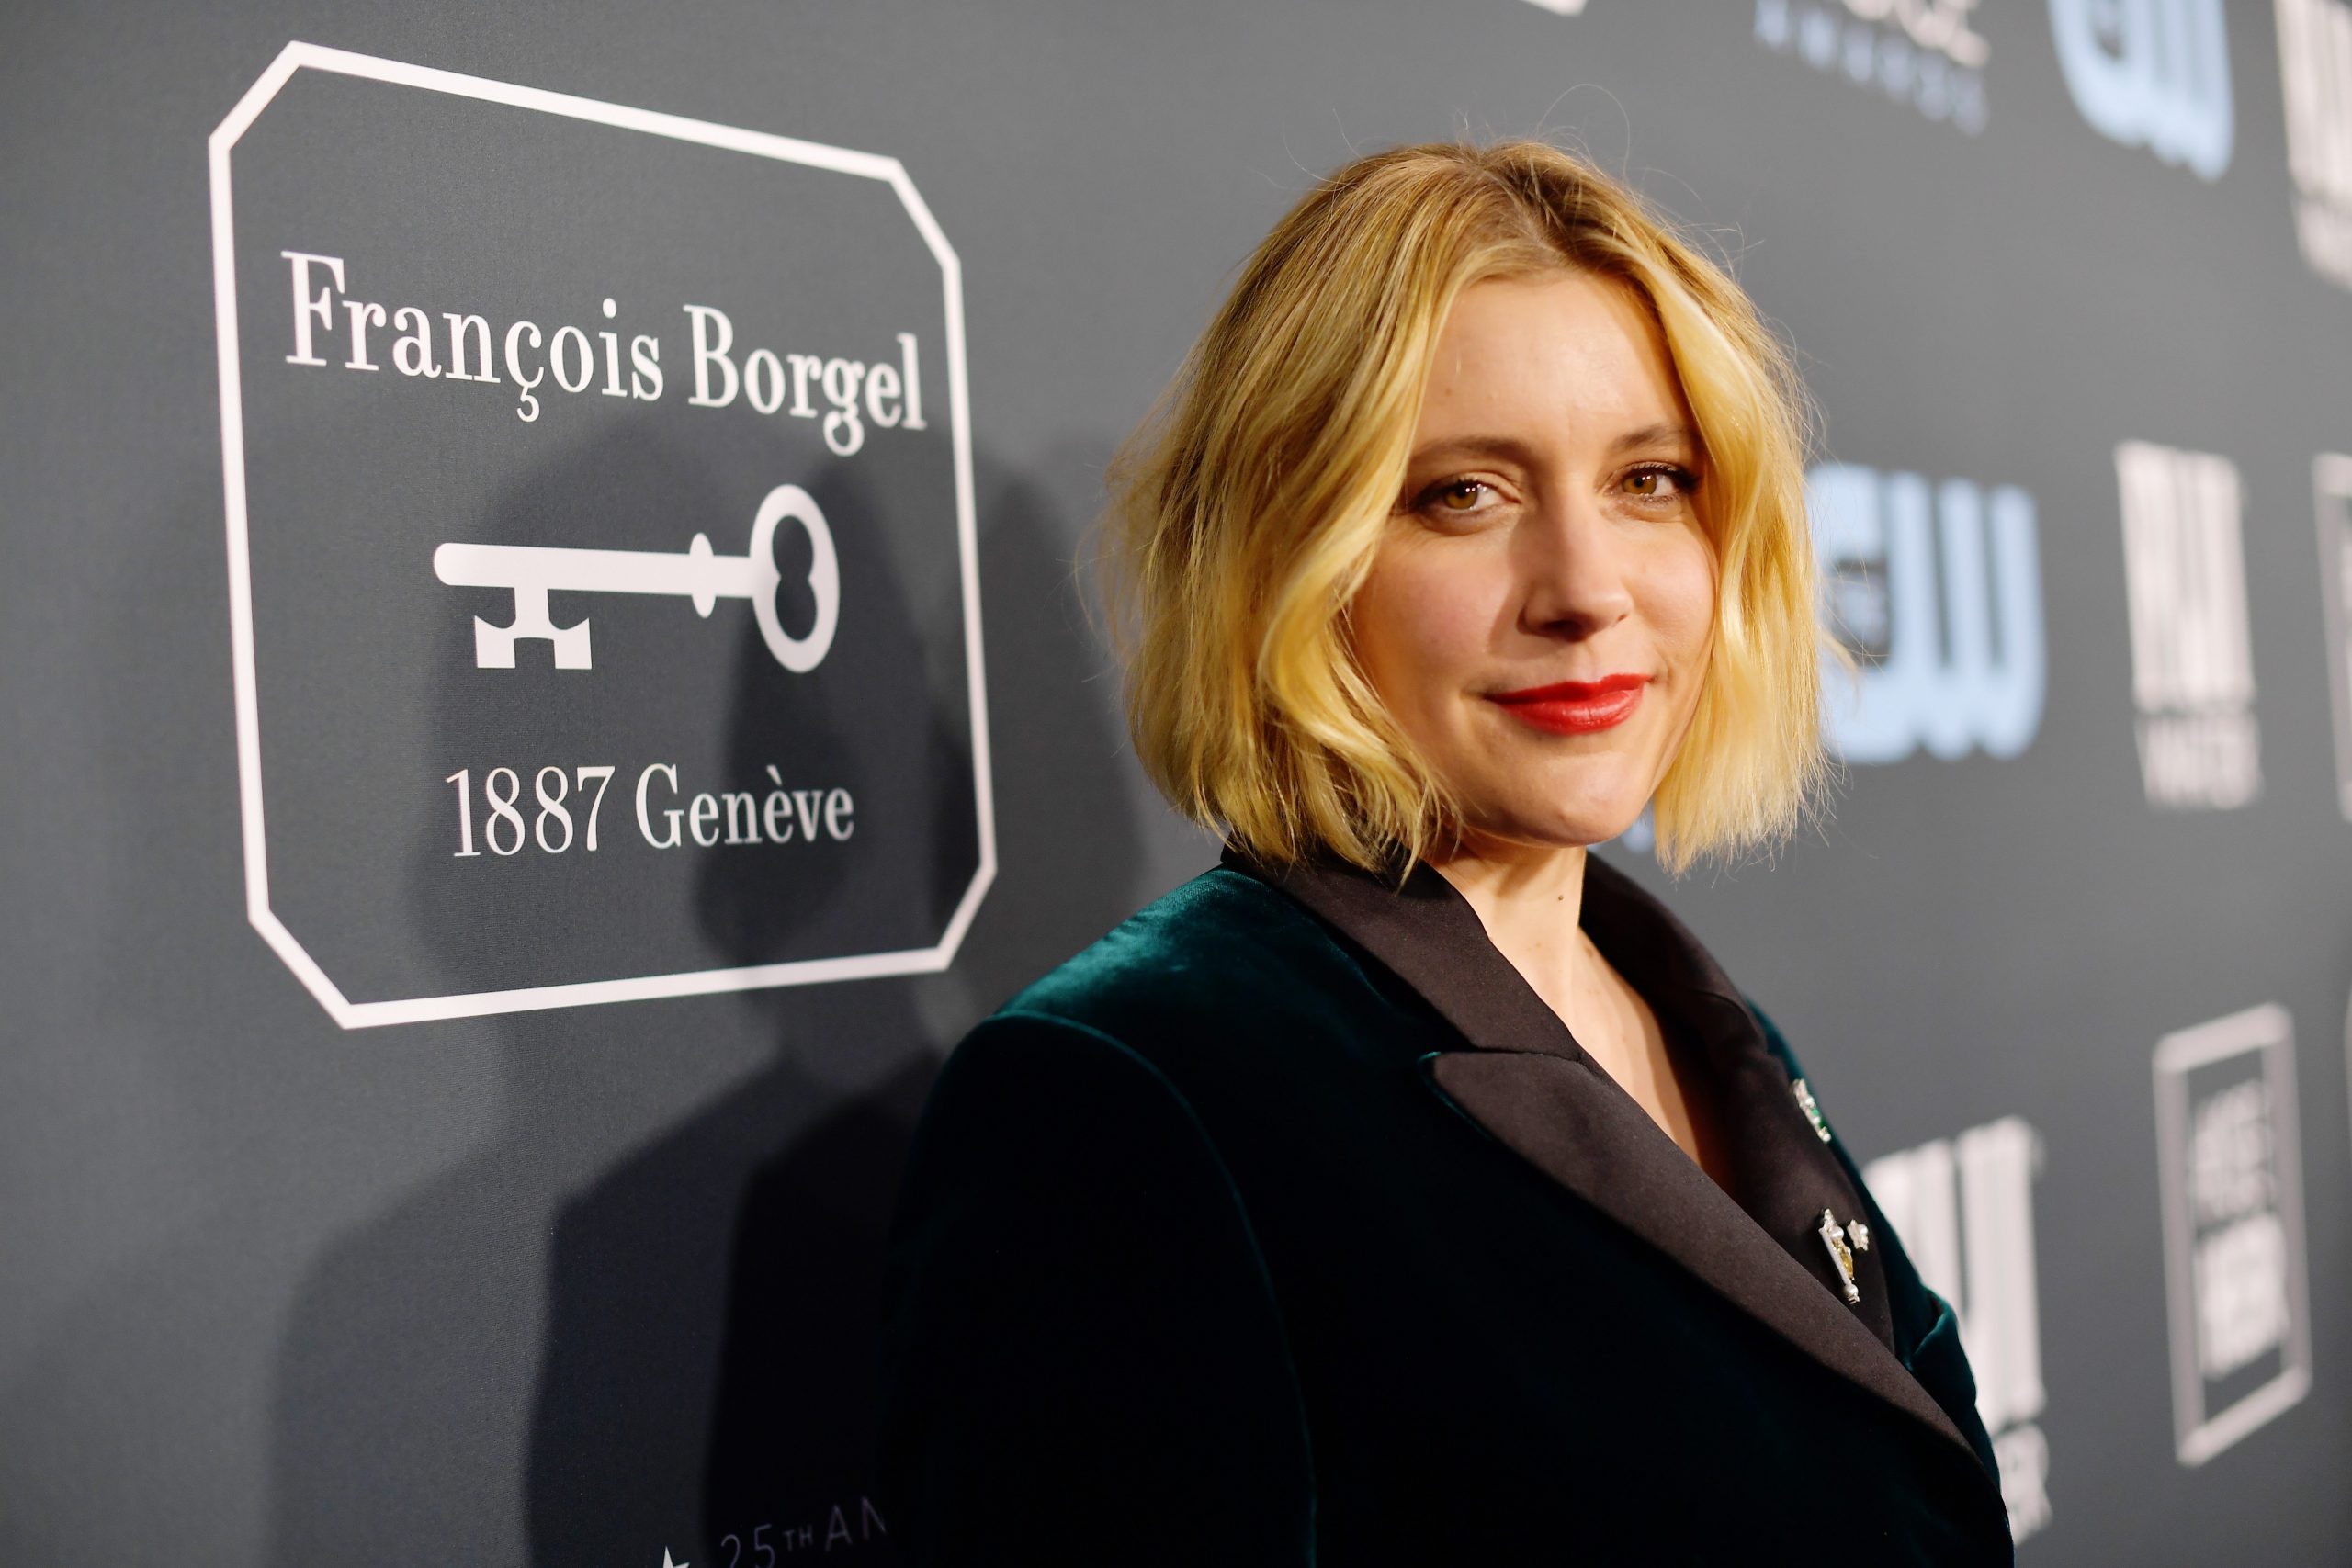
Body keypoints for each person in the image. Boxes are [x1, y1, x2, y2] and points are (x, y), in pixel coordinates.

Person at [875, 140, 2012, 1565]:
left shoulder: (1694, 1015)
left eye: (1652, 480)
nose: (1588, 589)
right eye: (1464, 495)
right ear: (1293, 557)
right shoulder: (1130, 1098)